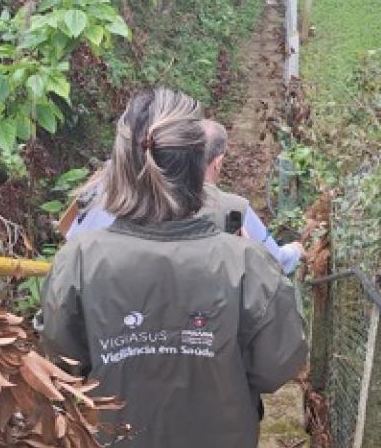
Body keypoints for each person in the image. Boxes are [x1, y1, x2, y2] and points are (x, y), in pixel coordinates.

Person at [41, 89, 308, 448]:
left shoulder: (78, 260)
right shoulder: (247, 264)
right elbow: (277, 366)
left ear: (120, 164)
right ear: (202, 166)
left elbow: (62, 359)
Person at [62, 121, 303, 275]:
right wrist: (297, 251)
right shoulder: (230, 209)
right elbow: (276, 263)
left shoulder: (103, 184)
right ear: (217, 163)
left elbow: (69, 235)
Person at [200, 119, 303, 274]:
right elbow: (274, 260)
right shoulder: (235, 210)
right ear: (218, 162)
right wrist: (295, 251)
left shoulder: (156, 203)